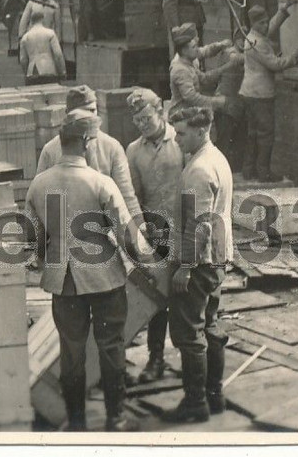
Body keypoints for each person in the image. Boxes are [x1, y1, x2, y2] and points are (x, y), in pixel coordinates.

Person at [23, 108, 143, 432]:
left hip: (63, 281)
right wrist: (144, 262)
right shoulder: (100, 183)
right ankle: (115, 418)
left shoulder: (39, 184)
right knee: (111, 345)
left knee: (71, 351)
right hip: (105, 278)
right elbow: (127, 234)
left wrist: (42, 260)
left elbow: (32, 237)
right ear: (88, 143)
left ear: (62, 144)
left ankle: (76, 422)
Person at [160, 105, 233, 424]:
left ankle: (195, 404)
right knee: (210, 326)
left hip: (199, 262)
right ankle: (215, 397)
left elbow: (200, 224)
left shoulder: (200, 170)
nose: (176, 139)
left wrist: (185, 267)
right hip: (216, 258)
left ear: (202, 131)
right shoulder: (215, 158)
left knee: (189, 334)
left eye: (181, 133)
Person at [124, 87, 185, 385]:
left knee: (191, 296)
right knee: (159, 298)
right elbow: (132, 194)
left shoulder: (182, 140)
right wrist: (141, 234)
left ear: (160, 110)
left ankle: (193, 357)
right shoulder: (133, 151)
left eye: (146, 117)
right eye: (136, 120)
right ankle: (156, 358)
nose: (142, 124)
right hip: (156, 234)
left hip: (186, 230)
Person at [37, 86, 144, 224]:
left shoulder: (112, 147)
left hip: (105, 231)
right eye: (84, 114)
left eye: (93, 110)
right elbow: (39, 198)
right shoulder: (50, 151)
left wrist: (141, 230)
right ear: (68, 115)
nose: (91, 117)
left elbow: (127, 196)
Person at [240, 0, 298, 182]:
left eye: (266, 21)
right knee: (266, 134)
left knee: (253, 133)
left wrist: (283, 10)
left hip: (249, 93)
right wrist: (294, 57)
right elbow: (275, 64)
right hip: (261, 95)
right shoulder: (257, 43)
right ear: (253, 24)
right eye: (262, 22)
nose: (266, 25)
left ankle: (249, 171)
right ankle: (264, 173)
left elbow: (270, 28)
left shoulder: (253, 36)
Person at [168, 23, 234, 113]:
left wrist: (220, 47)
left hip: (190, 108)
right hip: (181, 113)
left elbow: (204, 78)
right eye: (194, 45)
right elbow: (192, 98)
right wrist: (217, 102)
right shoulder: (180, 69)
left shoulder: (188, 57)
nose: (197, 48)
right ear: (184, 50)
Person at [212, 34, 246, 173]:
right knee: (224, 140)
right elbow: (235, 59)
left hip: (235, 105)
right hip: (225, 104)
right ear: (235, 39)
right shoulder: (229, 53)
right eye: (241, 39)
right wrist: (257, 55)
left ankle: (232, 170)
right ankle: (220, 171)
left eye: (246, 40)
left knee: (235, 139)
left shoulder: (241, 54)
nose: (243, 43)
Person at [19, 9, 66, 85]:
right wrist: (62, 72)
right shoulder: (50, 33)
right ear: (42, 19)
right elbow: (58, 55)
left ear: (31, 21)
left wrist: (26, 74)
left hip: (33, 72)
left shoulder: (25, 37)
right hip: (50, 71)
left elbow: (23, 60)